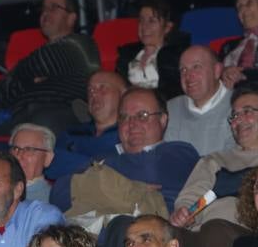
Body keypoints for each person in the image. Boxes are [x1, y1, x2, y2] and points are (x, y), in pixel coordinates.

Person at [51, 87, 200, 214]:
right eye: (124, 117)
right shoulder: (104, 156)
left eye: (143, 116)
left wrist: (94, 181)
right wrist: (130, 188)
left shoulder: (180, 152)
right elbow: (58, 194)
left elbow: (149, 171)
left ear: (162, 120)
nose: (132, 123)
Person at [170, 85, 258, 241]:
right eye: (234, 115)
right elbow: (189, 200)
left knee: (218, 230)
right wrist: (183, 213)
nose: (238, 120)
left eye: (247, 112)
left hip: (253, 240)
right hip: (202, 236)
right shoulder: (215, 160)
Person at [0, 0, 99, 133]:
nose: (46, 13)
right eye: (44, 9)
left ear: (71, 18)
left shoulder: (80, 44)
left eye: (54, 8)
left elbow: (40, 64)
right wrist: (29, 80)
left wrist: (16, 76)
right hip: (22, 119)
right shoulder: (40, 54)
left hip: (61, 113)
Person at [166, 45, 233, 156]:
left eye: (196, 67)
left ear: (217, 71)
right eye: (183, 69)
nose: (188, 75)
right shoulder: (170, 109)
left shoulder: (238, 107)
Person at [116, 0, 187, 100]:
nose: (144, 26)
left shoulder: (176, 56)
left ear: (167, 27)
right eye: (141, 20)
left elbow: (175, 92)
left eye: (152, 21)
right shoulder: (127, 55)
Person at [61, 70, 126, 161]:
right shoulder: (71, 133)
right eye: (90, 90)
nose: (93, 93)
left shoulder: (133, 133)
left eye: (102, 88)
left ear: (124, 95)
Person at [9, 123, 57, 203]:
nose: (19, 156)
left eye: (29, 149)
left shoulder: (52, 200)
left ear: (47, 158)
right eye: (15, 148)